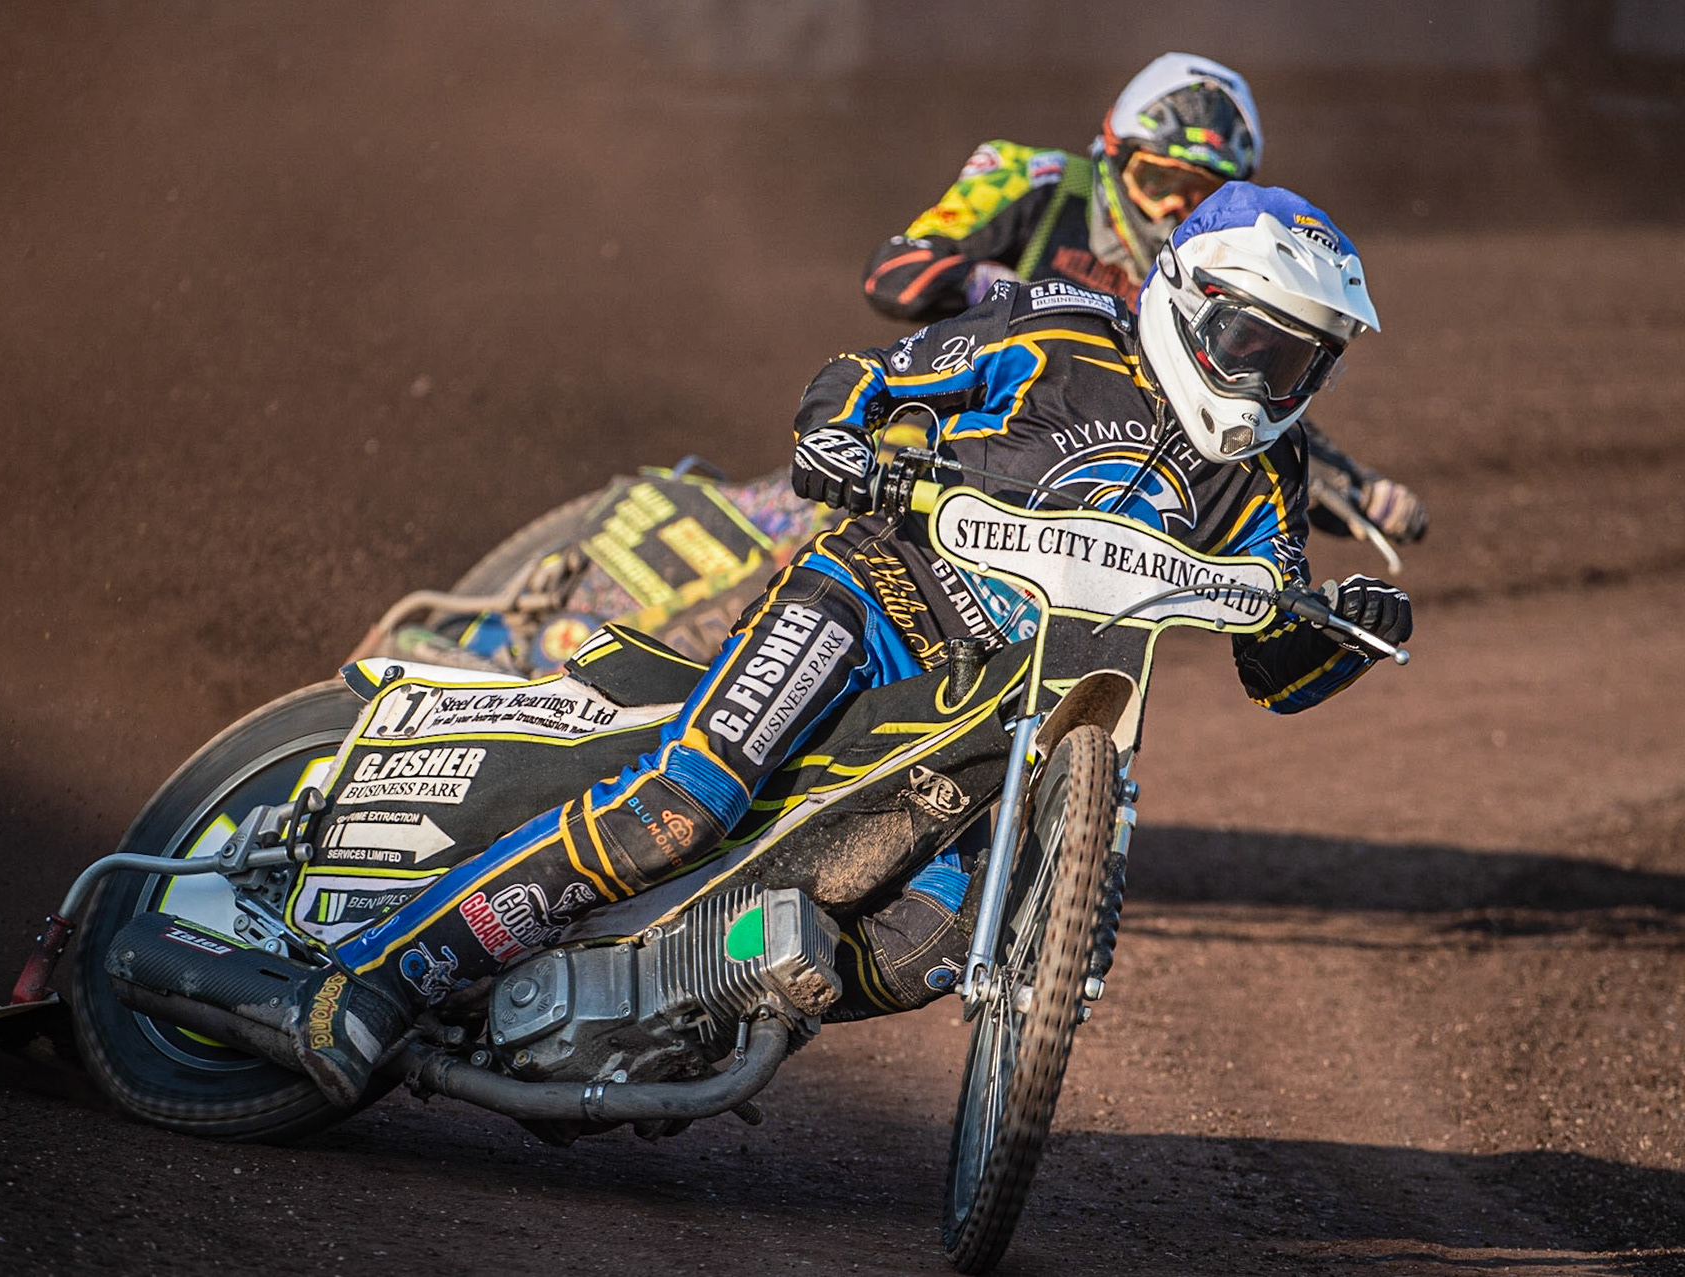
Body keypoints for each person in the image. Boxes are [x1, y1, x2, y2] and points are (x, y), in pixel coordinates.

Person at [224, 184, 1415, 1108]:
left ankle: (673, 1002)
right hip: (873, 600)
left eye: (1300, 359)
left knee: (935, 945)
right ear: (1189, 297)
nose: (1270, 378)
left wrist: (1346, 632)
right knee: (679, 809)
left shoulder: (1270, 471)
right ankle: (369, 981)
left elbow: (1272, 649)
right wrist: (841, 441)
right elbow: (869, 377)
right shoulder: (1058, 331)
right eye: (1255, 341)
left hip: (1015, 716)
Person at [863, 51, 1428, 546]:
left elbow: (1248, 386)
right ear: (1113, 153)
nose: (1167, 212)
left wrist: (1352, 484)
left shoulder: (1221, 268)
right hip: (953, 415)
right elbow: (893, 273)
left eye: (1196, 196)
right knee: (864, 509)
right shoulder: (1040, 179)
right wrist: (991, 287)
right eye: (1158, 183)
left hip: (1082, 468)